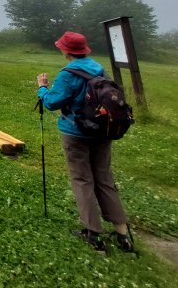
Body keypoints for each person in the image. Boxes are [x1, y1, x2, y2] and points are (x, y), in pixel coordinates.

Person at [36, 31, 134, 253]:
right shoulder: (98, 68)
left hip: (75, 132)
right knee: (105, 179)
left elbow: (51, 102)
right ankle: (122, 233)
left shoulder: (67, 74)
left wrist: (42, 87)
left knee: (82, 179)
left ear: (66, 50)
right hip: (102, 132)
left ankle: (94, 234)